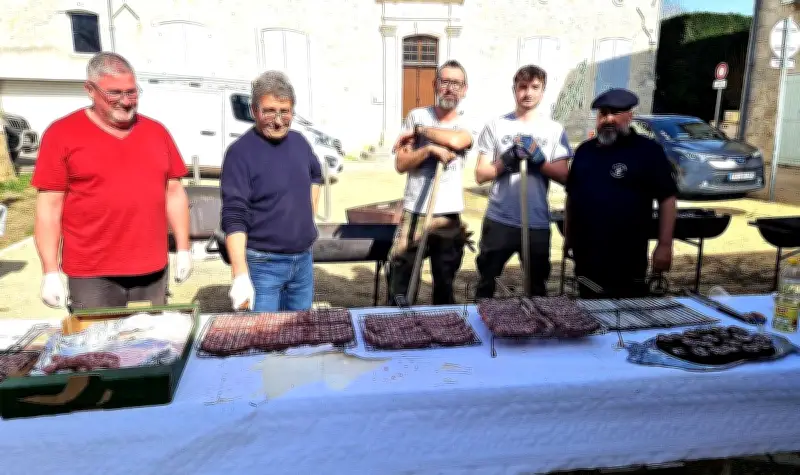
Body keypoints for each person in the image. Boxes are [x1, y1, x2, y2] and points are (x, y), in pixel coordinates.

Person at [32, 52, 192, 311]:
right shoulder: (61, 134)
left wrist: (184, 248)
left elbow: (173, 192)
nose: (126, 102)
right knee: (96, 337)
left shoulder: (156, 132)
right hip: (92, 273)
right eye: (114, 93)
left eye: (132, 92)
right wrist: (49, 271)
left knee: (152, 336)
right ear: (90, 90)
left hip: (151, 268)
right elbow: (49, 208)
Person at [221, 70, 323, 312]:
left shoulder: (300, 143)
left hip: (302, 262)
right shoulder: (240, 153)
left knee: (300, 330)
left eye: (285, 112)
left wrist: (307, 218)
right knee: (263, 332)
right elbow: (234, 215)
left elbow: (316, 175)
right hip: (263, 265)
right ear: (254, 110)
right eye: (269, 111)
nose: (278, 121)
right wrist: (240, 274)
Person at [565, 88, 678, 298]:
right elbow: (572, 198)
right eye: (603, 113)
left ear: (630, 116)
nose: (608, 119)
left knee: (627, 310)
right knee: (589, 308)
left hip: (627, 257)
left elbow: (667, 199)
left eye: (615, 113)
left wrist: (665, 245)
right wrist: (568, 237)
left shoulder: (647, 151)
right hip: (587, 256)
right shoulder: (584, 152)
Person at [473, 65, 571, 299]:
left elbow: (564, 176)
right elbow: (481, 174)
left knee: (537, 287)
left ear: (543, 91)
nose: (528, 93)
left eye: (535, 87)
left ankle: (535, 321)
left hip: (536, 220)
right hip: (499, 219)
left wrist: (539, 160)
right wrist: (506, 160)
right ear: (514, 89)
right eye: (523, 87)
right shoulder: (496, 125)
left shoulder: (554, 130)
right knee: (486, 283)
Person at [388, 59, 476, 306]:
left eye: (456, 83)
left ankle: (444, 324)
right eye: (445, 82)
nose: (450, 88)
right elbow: (401, 164)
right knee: (401, 277)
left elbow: (457, 141)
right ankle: (397, 321)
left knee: (445, 282)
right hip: (415, 211)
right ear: (435, 85)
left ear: (464, 89)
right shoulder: (417, 115)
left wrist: (421, 132)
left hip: (448, 214)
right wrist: (428, 151)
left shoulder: (466, 121)